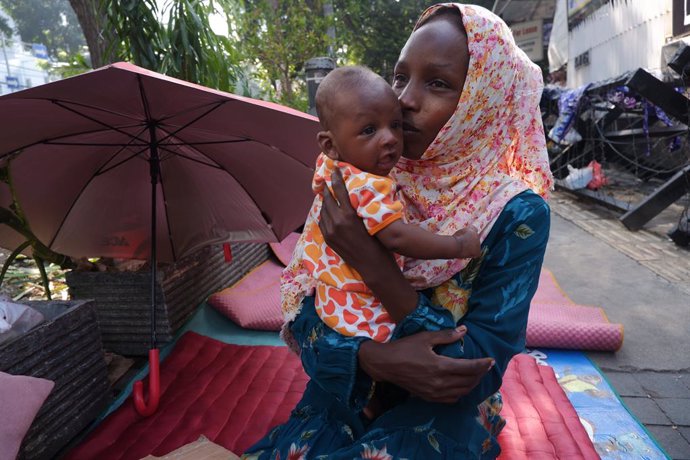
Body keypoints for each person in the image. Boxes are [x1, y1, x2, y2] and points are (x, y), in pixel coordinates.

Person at [244, 3, 553, 459]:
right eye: (400, 76)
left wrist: (372, 262)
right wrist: (370, 359)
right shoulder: (360, 175)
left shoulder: (513, 213)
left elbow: (470, 370)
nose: (405, 99)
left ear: (484, 100)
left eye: (438, 83)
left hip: (444, 414)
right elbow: (307, 313)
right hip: (349, 386)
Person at [293, 65, 481, 346]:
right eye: (369, 130)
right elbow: (396, 236)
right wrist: (457, 245)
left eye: (395, 125)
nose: (391, 138)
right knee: (410, 349)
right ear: (330, 144)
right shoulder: (369, 184)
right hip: (362, 309)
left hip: (331, 300)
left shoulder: (332, 167)